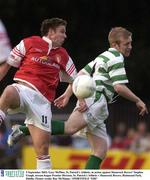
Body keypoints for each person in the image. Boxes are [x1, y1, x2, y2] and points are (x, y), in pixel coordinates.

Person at [7, 27, 148, 169]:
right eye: (127, 44)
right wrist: (137, 100)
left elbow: (79, 74)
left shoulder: (103, 56)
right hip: (96, 100)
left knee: (100, 150)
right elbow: (119, 87)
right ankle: (24, 129)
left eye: (130, 43)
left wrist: (68, 94)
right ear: (115, 45)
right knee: (70, 128)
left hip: (96, 101)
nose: (130, 46)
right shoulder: (117, 57)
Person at [0, 18, 77, 169]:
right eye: (62, 32)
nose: (65, 36)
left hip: (42, 103)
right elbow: (7, 65)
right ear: (51, 32)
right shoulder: (29, 42)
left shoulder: (63, 54)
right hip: (23, 91)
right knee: (9, 91)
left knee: (42, 152)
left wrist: (67, 95)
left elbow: (77, 80)